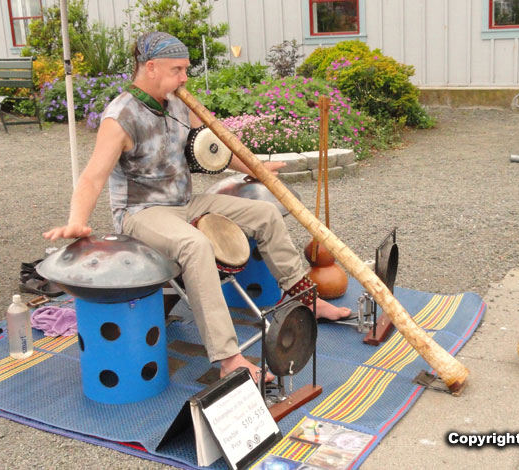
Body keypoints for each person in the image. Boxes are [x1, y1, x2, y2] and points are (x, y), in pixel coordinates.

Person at [43, 32, 351, 382]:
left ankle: (304, 298)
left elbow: (214, 150)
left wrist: (258, 169)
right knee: (195, 245)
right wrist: (76, 221)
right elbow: (92, 177)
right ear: (151, 67)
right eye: (178, 69)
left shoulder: (177, 103)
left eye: (186, 69)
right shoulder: (120, 117)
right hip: (142, 211)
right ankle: (229, 358)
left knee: (264, 214)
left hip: (185, 202)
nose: (185, 77)